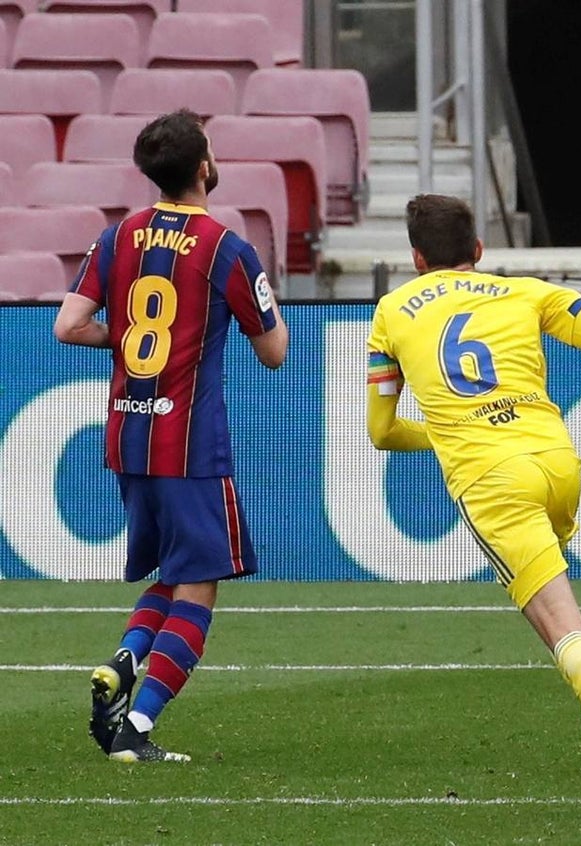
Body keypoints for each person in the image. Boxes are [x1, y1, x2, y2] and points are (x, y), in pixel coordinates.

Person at [366, 193, 581, 811]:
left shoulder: (391, 310)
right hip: (558, 464)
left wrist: (453, 430)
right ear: (480, 252)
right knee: (560, 617)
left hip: (494, 480)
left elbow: (381, 432)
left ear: (415, 257)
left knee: (559, 627)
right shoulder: (526, 291)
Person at [54, 109, 289, 762]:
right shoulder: (225, 247)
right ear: (202, 167)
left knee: (177, 570)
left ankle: (124, 664)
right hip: (188, 440)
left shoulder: (117, 236)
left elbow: (68, 326)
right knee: (202, 579)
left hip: (128, 435)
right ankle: (138, 727)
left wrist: (125, 340)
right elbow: (275, 352)